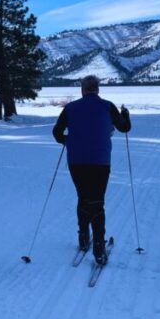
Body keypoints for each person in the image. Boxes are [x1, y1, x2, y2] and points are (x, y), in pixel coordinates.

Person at [52, 75, 131, 265]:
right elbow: (124, 128)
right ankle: (99, 247)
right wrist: (125, 114)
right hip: (100, 162)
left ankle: (83, 237)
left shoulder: (70, 108)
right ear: (97, 89)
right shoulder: (107, 106)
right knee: (97, 201)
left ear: (82, 89)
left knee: (83, 197)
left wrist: (69, 141)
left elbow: (56, 132)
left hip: (76, 162)